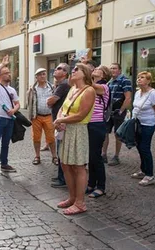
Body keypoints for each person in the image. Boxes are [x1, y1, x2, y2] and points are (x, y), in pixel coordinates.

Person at [54, 63, 96, 215]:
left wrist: (61, 121)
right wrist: (59, 119)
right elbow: (62, 108)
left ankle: (80, 202)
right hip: (66, 130)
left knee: (79, 167)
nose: (73, 71)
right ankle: (72, 198)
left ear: (84, 73)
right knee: (65, 164)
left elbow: (81, 115)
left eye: (76, 69)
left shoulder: (89, 90)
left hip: (78, 131)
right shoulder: (72, 88)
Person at [130, 71, 155, 186]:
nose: (139, 79)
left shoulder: (153, 94)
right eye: (138, 77)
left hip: (148, 124)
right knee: (139, 146)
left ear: (149, 81)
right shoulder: (137, 92)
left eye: (142, 77)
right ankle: (143, 170)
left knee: (144, 147)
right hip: (138, 123)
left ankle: (150, 175)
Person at [86, 66, 111, 198]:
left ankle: (101, 186)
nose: (95, 70)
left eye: (98, 69)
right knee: (90, 156)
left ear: (104, 75)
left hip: (97, 125)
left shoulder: (104, 87)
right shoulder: (91, 86)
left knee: (96, 156)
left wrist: (84, 72)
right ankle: (91, 183)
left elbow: (92, 85)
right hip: (89, 124)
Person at [102, 63, 132, 166]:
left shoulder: (125, 80)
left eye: (114, 68)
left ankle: (116, 156)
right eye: (111, 69)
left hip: (118, 111)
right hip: (109, 111)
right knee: (105, 132)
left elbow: (128, 98)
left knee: (117, 134)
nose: (112, 70)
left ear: (119, 70)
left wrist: (121, 110)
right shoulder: (109, 82)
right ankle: (103, 154)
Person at [47, 63, 71, 188]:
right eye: (56, 68)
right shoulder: (59, 85)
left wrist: (49, 101)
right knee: (60, 149)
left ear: (65, 73)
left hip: (61, 121)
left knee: (61, 150)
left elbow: (51, 101)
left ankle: (63, 179)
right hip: (59, 120)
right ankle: (61, 176)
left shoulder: (63, 85)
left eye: (59, 68)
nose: (55, 70)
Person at [27, 68, 57, 166]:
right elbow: (29, 102)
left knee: (51, 138)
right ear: (36, 77)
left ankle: (54, 156)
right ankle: (37, 156)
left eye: (44, 74)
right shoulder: (33, 89)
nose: (42, 76)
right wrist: (30, 115)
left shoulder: (52, 87)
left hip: (49, 116)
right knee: (36, 138)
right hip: (36, 116)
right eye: (40, 75)